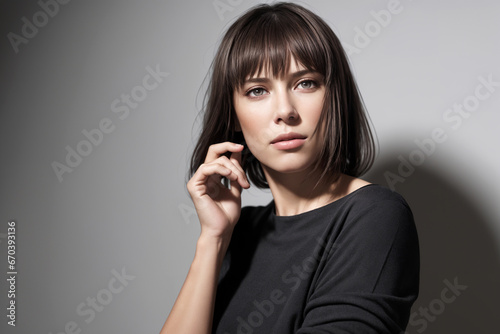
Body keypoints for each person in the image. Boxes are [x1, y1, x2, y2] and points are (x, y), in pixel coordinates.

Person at [160, 2, 419, 333]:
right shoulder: (239, 232)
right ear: (233, 116)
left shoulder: (376, 215)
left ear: (334, 97)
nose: (285, 110)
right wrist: (213, 239)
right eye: (257, 90)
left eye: (305, 83)